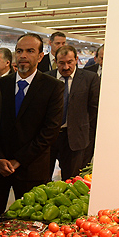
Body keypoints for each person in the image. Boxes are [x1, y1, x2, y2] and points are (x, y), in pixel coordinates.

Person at [0, 33, 64, 221]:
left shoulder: (53, 87)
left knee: (29, 224)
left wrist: (18, 160)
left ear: (40, 56)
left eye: (30, 51)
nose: (23, 56)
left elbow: (49, 132)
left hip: (32, 168)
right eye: (19, 51)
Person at [47, 45, 100, 180]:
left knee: (71, 179)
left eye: (69, 62)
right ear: (55, 62)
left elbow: (93, 111)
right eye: (61, 63)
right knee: (43, 178)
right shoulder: (47, 78)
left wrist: (88, 138)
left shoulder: (90, 79)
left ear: (76, 59)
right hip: (48, 138)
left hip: (75, 139)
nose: (66, 67)